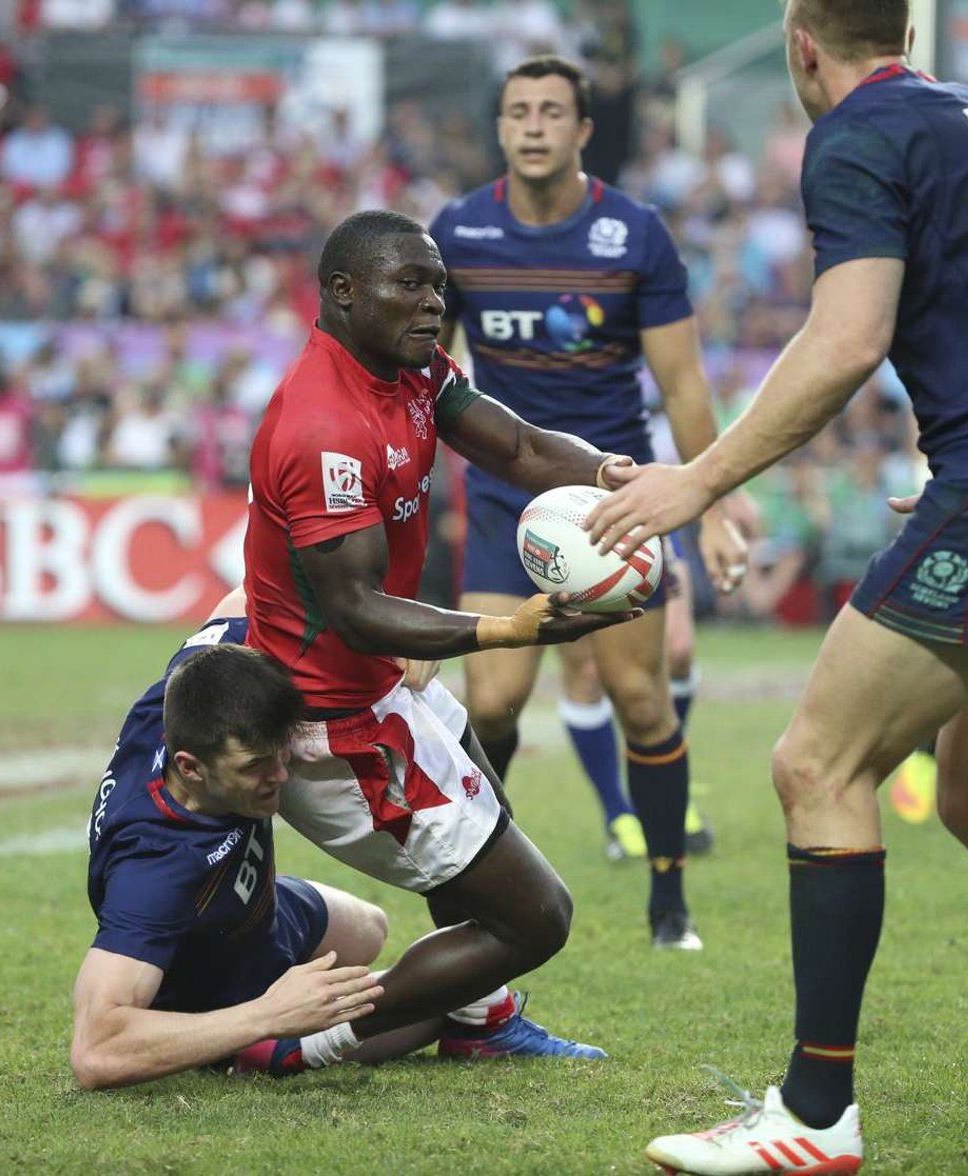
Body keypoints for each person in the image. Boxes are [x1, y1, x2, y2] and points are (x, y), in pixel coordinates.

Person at [584, 2, 968, 1169]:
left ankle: (813, 1117)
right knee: (965, 793)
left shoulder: (856, 132)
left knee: (817, 763)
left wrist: (696, 479)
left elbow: (846, 336)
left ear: (800, 44)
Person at [244, 206, 645, 1064]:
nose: (433, 303)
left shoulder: (411, 368)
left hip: (382, 678)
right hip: (330, 721)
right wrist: (512, 629)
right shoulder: (324, 426)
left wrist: (613, 474)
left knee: (487, 817)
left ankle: (479, 1023)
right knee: (535, 915)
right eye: (411, 285)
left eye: (438, 285)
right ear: (344, 293)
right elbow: (352, 607)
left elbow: (525, 449)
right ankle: (304, 1045)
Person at [428, 55, 746, 947]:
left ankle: (668, 897)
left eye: (551, 111)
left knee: (641, 701)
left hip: (619, 497)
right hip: (502, 499)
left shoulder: (635, 232)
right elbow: (430, 381)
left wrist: (710, 506)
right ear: (501, 129)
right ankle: (483, 885)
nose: (533, 124)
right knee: (490, 705)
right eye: (517, 111)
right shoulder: (459, 232)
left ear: (581, 131)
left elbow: (682, 386)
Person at [71, 590, 441, 1089]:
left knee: (370, 928)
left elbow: (258, 592)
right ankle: (252, 1045)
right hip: (208, 979)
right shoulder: (154, 870)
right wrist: (267, 1014)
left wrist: (401, 626)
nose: (280, 775)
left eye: (281, 752)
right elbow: (95, 1051)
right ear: (190, 768)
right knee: (437, 1007)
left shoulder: (201, 682)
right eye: (256, 766)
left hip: (251, 907)